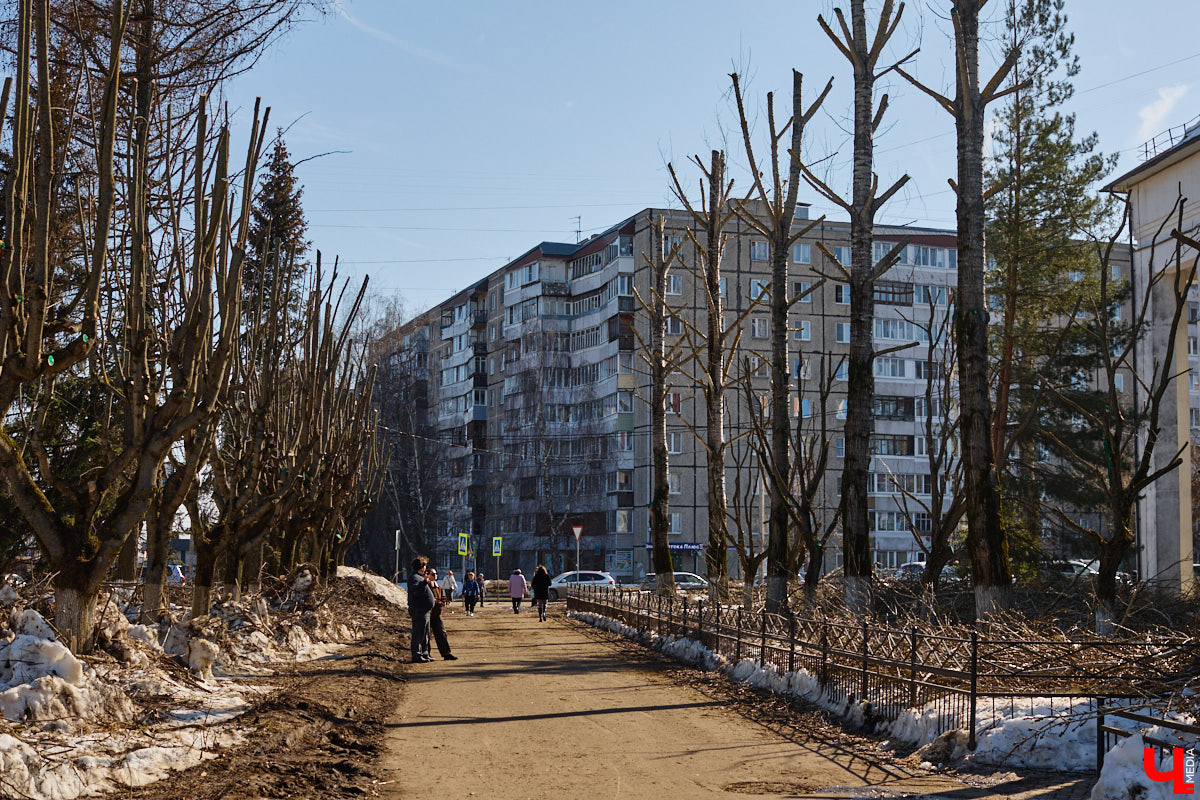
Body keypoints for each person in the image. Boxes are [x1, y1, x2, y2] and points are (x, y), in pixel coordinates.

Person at [406, 556, 436, 663]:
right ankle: (417, 655)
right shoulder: (414, 577)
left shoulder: (419, 577)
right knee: (419, 633)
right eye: (425, 566)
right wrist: (424, 583)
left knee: (425, 633)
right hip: (419, 610)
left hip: (425, 610)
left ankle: (425, 653)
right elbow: (416, 592)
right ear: (421, 567)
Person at [425, 568, 458, 660]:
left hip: (437, 615)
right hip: (428, 615)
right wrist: (433, 601)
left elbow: (443, 598)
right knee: (426, 635)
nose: (435, 575)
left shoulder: (438, 586)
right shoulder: (426, 586)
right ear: (428, 575)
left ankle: (446, 653)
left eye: (436, 573)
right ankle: (426, 654)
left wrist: (439, 602)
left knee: (442, 634)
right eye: (433, 574)